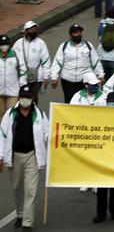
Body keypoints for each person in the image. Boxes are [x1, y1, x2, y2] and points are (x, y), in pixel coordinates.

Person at [0, 85, 49, 231]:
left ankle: (27, 223)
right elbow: (2, 135)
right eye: (22, 97)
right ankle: (20, 214)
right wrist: (0, 156)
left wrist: (51, 137)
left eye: (27, 97)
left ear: (32, 98)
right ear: (19, 97)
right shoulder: (10, 114)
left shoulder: (39, 114)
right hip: (15, 156)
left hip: (32, 157)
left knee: (31, 190)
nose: (25, 100)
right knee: (17, 188)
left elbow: (47, 133)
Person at [51, 24, 104, 103]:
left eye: (80, 32)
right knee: (69, 101)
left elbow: (95, 61)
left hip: (84, 80)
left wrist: (100, 75)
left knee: (84, 100)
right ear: (71, 34)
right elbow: (57, 62)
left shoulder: (88, 46)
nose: (78, 34)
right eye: (76, 32)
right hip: (67, 80)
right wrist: (54, 77)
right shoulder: (64, 46)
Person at [12, 22, 50, 102]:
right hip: (22, 76)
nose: (34, 31)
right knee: (23, 96)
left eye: (35, 29)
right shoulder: (18, 43)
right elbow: (12, 57)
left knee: (33, 97)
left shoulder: (41, 43)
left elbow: (46, 60)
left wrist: (46, 76)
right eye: (31, 29)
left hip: (37, 76)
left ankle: (34, 112)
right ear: (26, 31)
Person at [0, 35, 25, 119]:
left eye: (6, 44)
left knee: (11, 114)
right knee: (1, 114)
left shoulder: (16, 55)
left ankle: (11, 131)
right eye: (2, 44)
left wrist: (22, 87)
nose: (4, 46)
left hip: (13, 92)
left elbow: (23, 71)